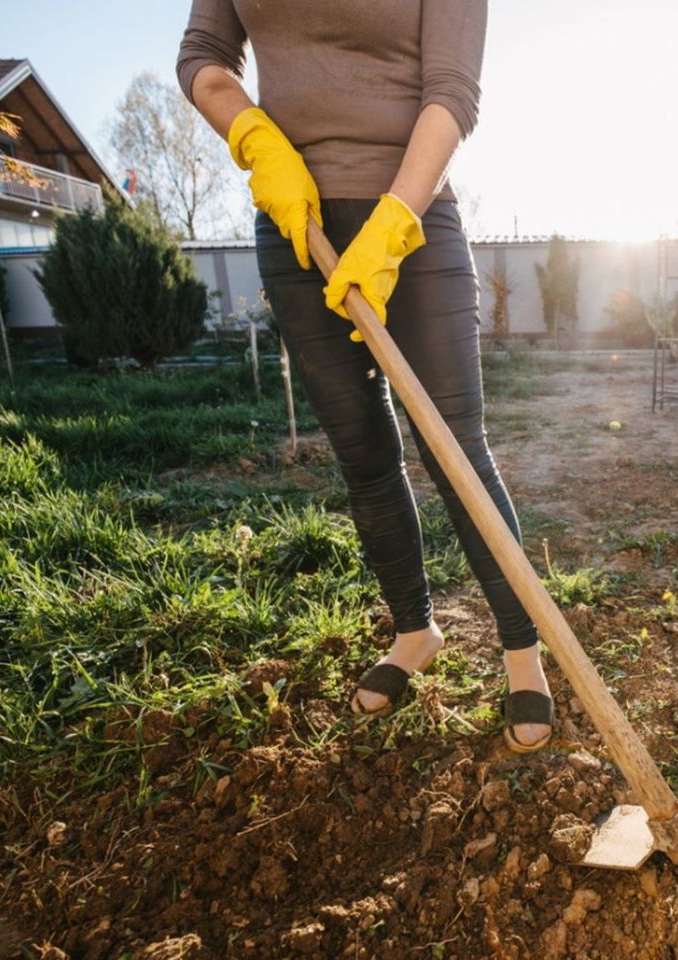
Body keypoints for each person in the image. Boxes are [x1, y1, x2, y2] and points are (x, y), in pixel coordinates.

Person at [176, 0, 554, 752]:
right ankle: (414, 633)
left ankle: (522, 653)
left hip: (411, 219)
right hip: (297, 223)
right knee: (363, 454)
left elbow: (452, 92)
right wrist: (255, 137)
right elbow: (203, 56)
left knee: (456, 451)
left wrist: (391, 225)